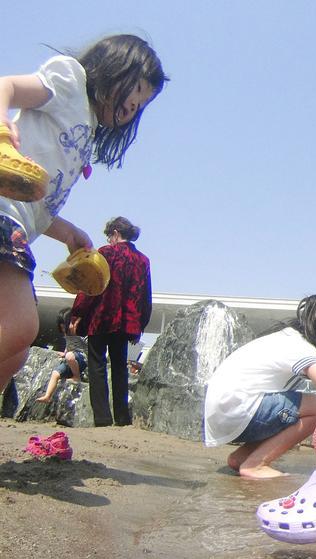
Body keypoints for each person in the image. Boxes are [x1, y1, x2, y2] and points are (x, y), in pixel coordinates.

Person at [0, 34, 167, 393]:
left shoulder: (86, 129)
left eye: (143, 103)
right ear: (113, 67)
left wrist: (69, 233)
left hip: (16, 223)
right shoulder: (70, 79)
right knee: (19, 327)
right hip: (2, 212)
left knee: (13, 354)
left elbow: (37, 207)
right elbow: (7, 86)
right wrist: (2, 127)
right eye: (135, 88)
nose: (134, 104)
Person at [203, 295, 316, 480]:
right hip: (238, 407)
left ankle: (242, 458)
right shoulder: (302, 346)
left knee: (296, 404)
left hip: (222, 411)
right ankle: (256, 464)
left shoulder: (286, 337)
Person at [71, 217, 152, 427]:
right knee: (119, 367)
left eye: (109, 235)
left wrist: (77, 313)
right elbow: (145, 296)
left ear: (115, 233)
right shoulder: (142, 260)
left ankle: (102, 418)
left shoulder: (105, 253)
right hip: (126, 323)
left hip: (101, 317)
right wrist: (140, 324)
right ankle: (122, 417)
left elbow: (91, 286)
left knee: (97, 365)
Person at [36, 307, 87, 403]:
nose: (64, 330)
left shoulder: (77, 331)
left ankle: (77, 376)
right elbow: (68, 345)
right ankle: (47, 396)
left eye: (65, 327)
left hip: (81, 358)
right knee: (55, 373)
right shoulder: (67, 334)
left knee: (69, 356)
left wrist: (74, 325)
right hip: (71, 360)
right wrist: (64, 353)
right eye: (62, 327)